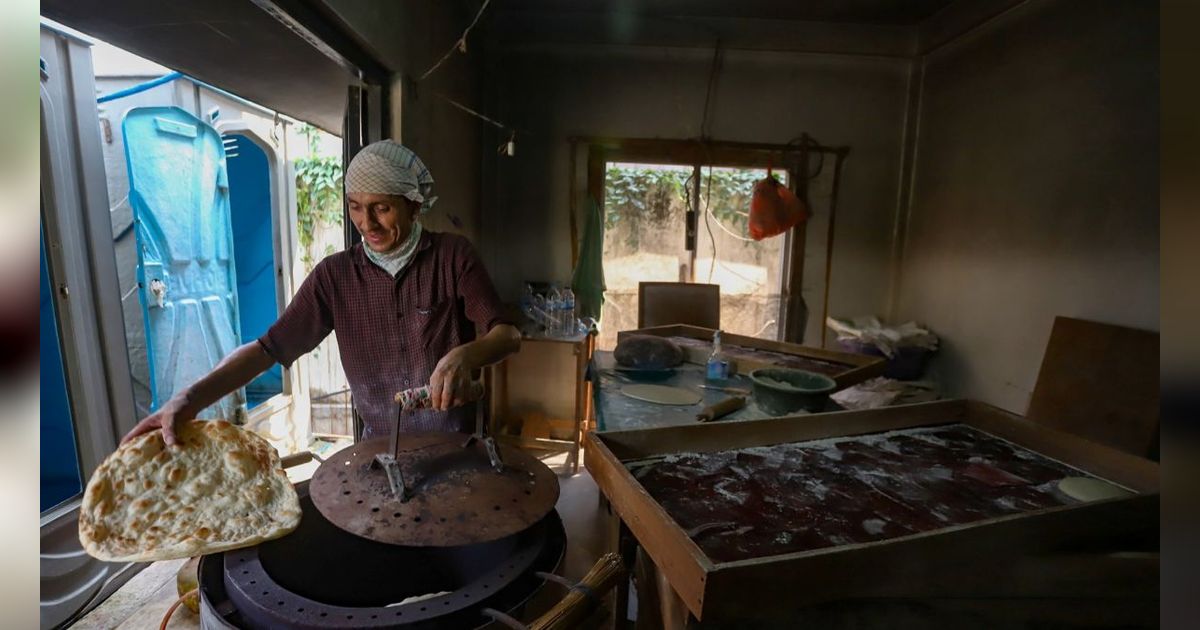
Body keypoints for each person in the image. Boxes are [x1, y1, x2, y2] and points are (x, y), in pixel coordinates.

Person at [122, 140, 520, 446]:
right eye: (355, 207)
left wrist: (463, 355)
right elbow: (267, 349)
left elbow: (508, 336)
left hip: (456, 447)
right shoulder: (335, 278)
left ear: (414, 206)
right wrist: (188, 400)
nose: (367, 224)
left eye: (381, 208)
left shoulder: (452, 257)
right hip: (380, 452)